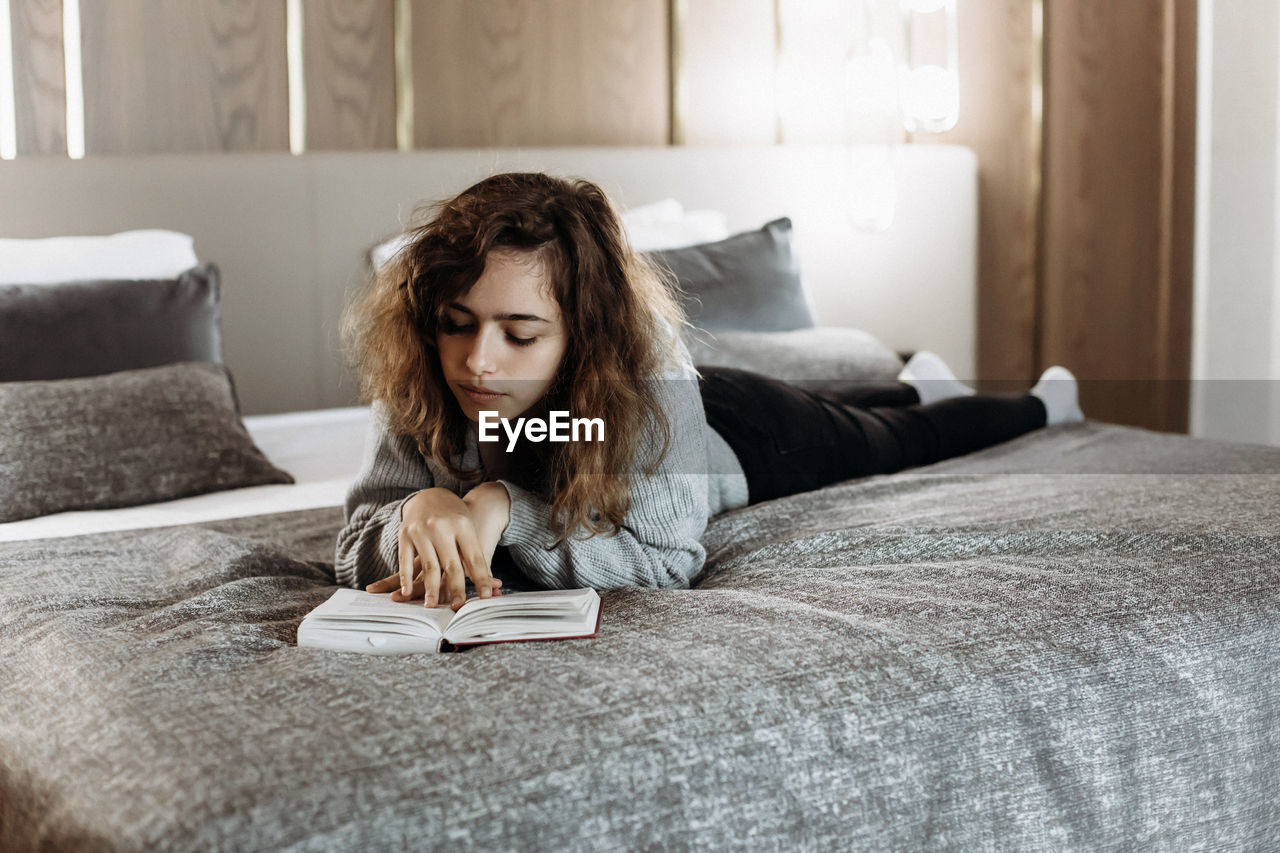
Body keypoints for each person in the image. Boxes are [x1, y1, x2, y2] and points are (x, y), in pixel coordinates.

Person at [335, 172, 1084, 610]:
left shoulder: (641, 376)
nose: (478, 364)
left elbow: (665, 560)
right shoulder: (426, 377)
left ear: (582, 338)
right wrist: (415, 509)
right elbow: (354, 541)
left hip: (745, 435)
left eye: (521, 334)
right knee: (866, 406)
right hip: (704, 408)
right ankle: (911, 384)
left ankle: (1044, 402)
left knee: (891, 438)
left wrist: (504, 507)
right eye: (456, 324)